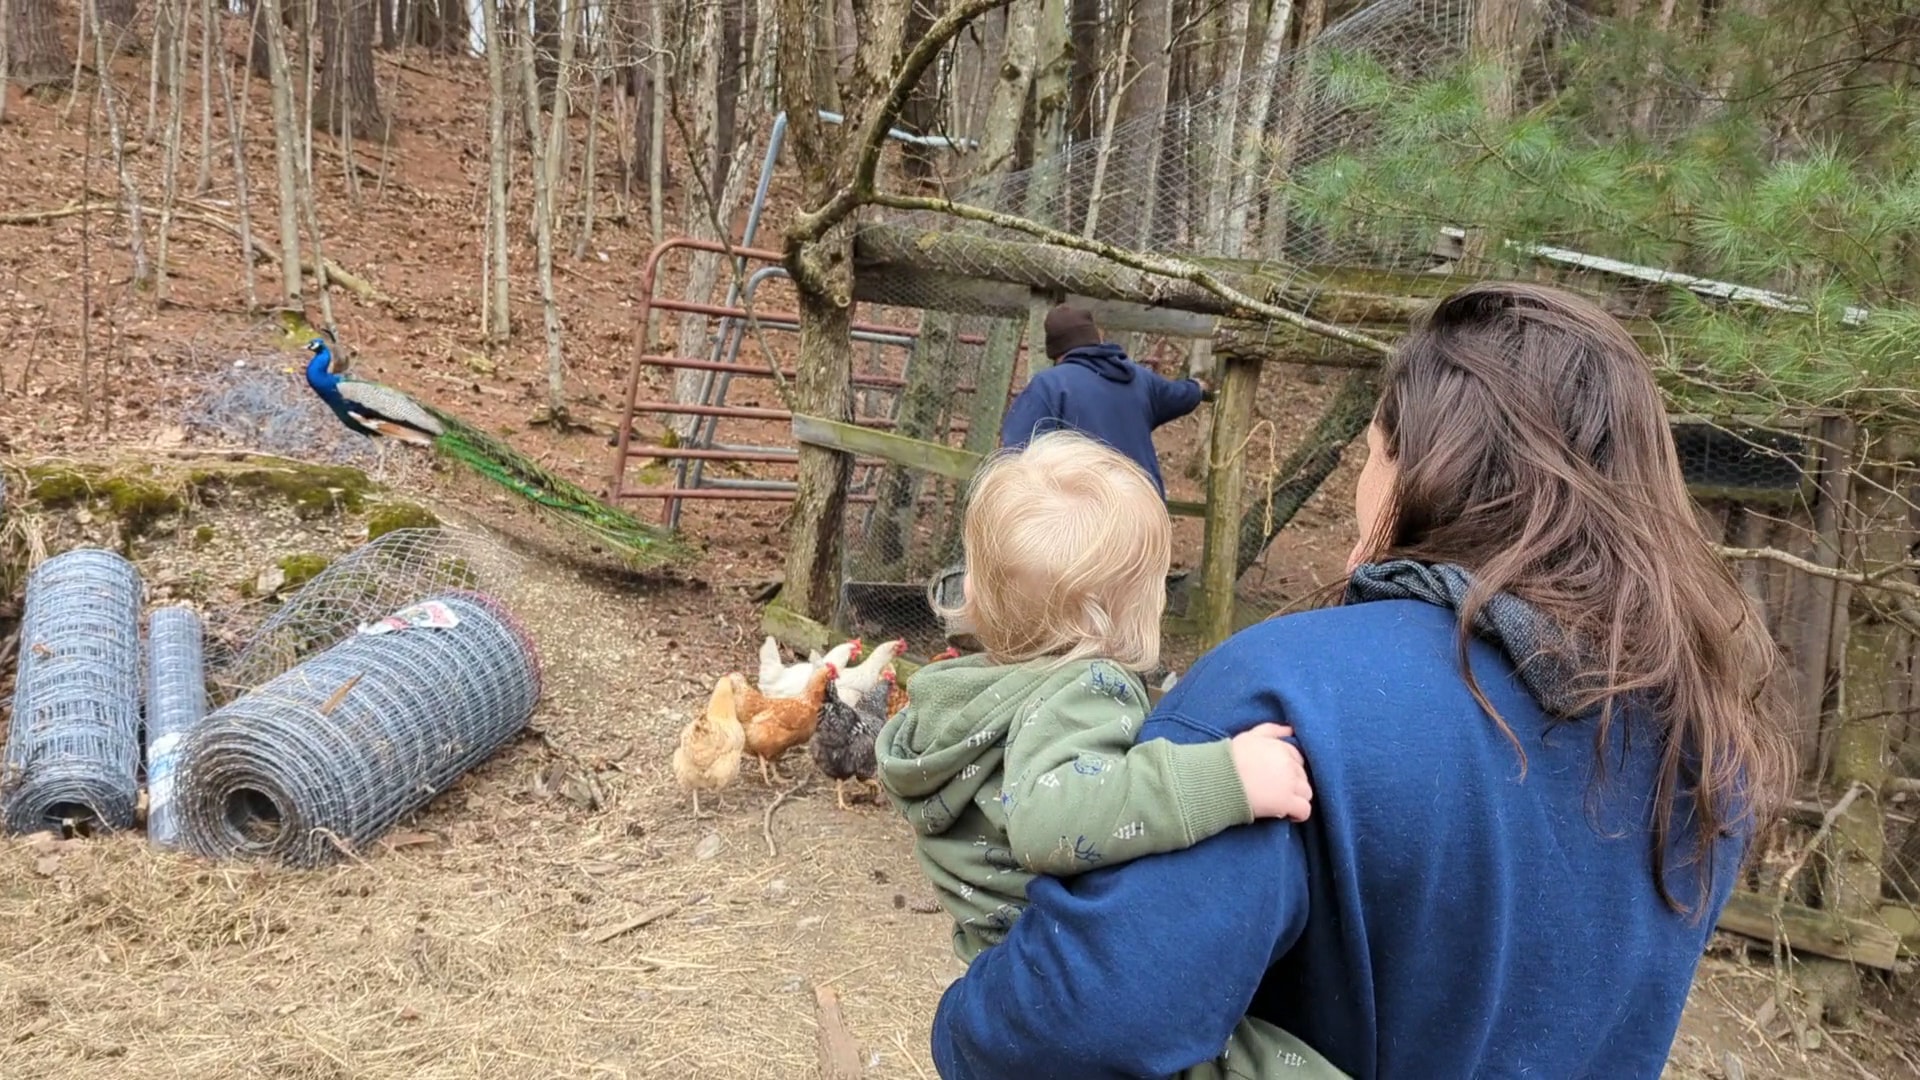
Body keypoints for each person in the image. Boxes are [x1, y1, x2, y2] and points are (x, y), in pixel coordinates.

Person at [929, 282, 1796, 1079]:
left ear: (1419, 467)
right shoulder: (1706, 747)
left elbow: (1071, 1032)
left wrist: (966, 1022)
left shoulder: (1289, 699)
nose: (1360, 486)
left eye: (1371, 455)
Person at [877, 430, 1347, 1080]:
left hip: (1015, 986)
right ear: (1128, 613)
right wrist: (1227, 778)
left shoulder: (959, 702)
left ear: (976, 591)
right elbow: (1050, 818)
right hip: (1084, 972)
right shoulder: (1085, 686)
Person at [999, 305, 1210, 499]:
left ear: (1055, 352)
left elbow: (1017, 450)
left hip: (1091, 509)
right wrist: (1197, 388)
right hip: (1145, 505)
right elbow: (1178, 395)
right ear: (1095, 337)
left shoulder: (1049, 385)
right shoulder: (1140, 378)